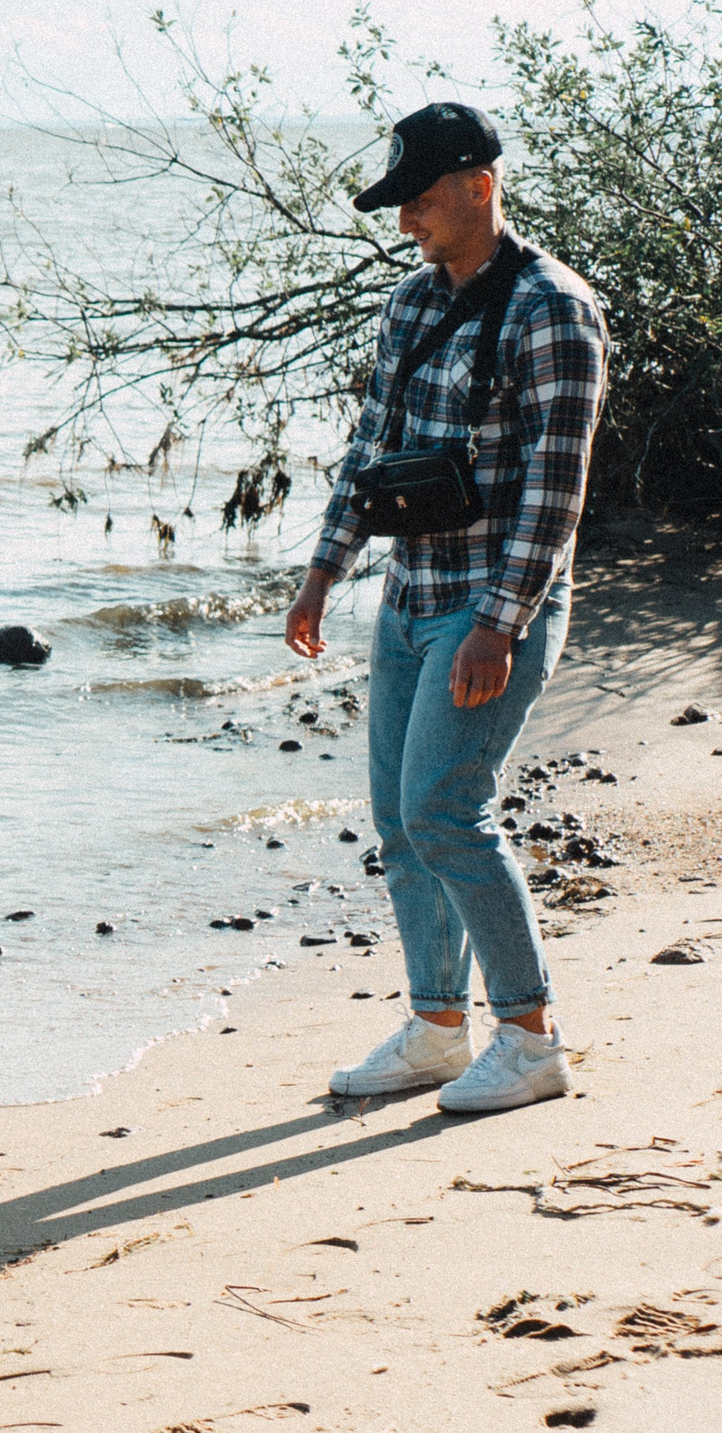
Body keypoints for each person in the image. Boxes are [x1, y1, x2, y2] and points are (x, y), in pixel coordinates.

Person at [286, 102, 608, 1113]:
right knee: (398, 818)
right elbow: (370, 448)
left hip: (489, 608)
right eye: (398, 205)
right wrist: (324, 569)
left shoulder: (553, 309)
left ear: (478, 185)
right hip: (407, 596)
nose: (404, 222)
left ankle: (528, 1036)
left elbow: (557, 491)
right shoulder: (412, 306)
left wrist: (498, 624)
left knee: (445, 809)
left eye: (418, 201)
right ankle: (434, 1027)